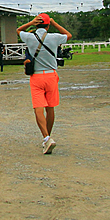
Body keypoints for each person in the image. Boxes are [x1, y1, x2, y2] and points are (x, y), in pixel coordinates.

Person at [17, 13, 72, 154]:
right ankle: (48, 137)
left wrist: (30, 23)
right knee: (50, 108)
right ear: (47, 25)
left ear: (37, 24)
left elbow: (18, 31)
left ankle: (46, 138)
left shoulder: (30, 37)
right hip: (51, 75)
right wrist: (54, 23)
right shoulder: (54, 38)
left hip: (36, 77)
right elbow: (68, 35)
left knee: (38, 108)